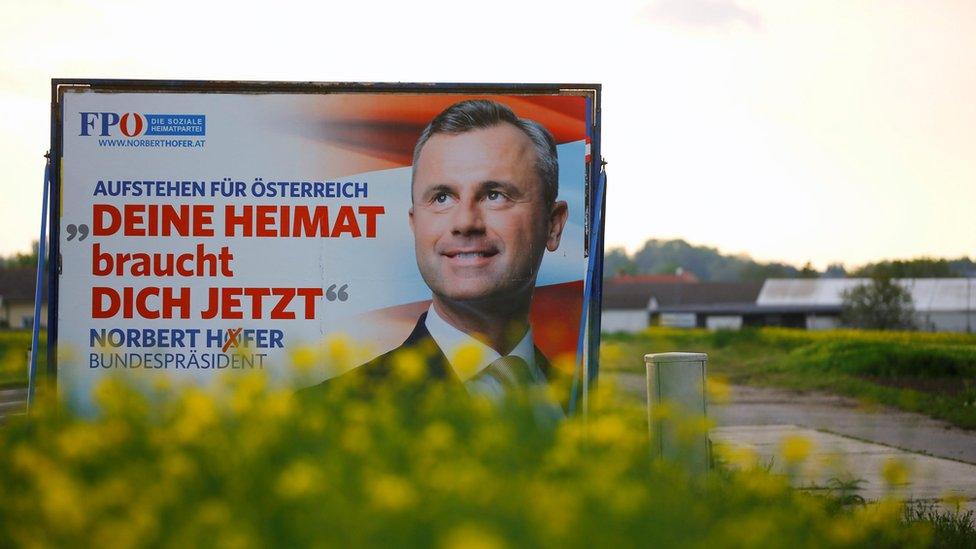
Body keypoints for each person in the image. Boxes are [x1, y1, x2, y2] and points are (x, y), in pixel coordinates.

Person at [314, 100, 572, 410]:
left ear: (553, 225)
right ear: (415, 224)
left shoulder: (587, 408)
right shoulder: (326, 412)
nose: (465, 222)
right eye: (441, 197)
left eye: (494, 195)